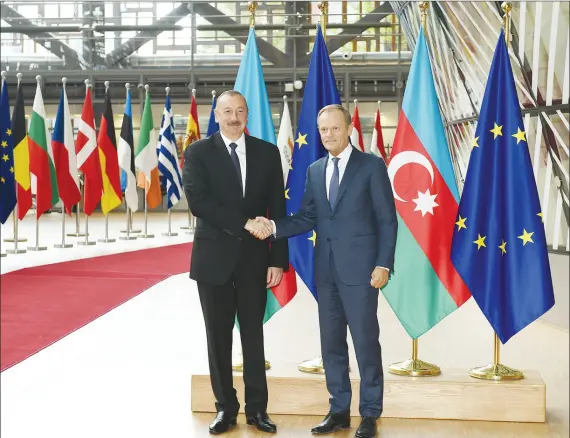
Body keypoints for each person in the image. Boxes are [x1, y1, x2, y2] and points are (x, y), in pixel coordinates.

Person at [254, 104, 397, 438]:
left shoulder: (372, 166)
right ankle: (338, 410)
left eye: (335, 128)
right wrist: (273, 226)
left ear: (348, 128)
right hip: (326, 271)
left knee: (365, 342)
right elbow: (307, 217)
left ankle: (370, 413)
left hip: (363, 272)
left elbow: (387, 219)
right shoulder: (315, 170)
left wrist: (383, 263)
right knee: (331, 343)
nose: (328, 135)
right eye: (323, 130)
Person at [182, 90, 287, 435]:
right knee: (218, 337)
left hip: (256, 262)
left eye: (240, 110)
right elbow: (199, 202)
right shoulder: (197, 152)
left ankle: (258, 410)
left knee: (253, 337)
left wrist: (278, 259)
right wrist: (244, 223)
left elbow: (277, 210)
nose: (233, 116)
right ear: (216, 114)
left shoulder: (267, 154)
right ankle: (225, 408)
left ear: (247, 115)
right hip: (213, 260)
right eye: (227, 110)